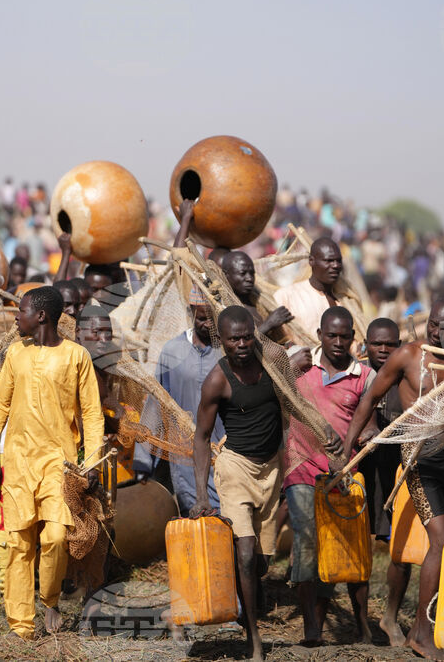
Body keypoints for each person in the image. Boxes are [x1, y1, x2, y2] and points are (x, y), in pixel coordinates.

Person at [0, 287, 103, 639]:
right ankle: (21, 626)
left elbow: (90, 413)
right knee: (17, 541)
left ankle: (49, 598)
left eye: (22, 311)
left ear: (41, 316)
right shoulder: (16, 354)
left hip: (58, 465)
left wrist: (90, 461)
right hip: (17, 462)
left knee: (57, 537)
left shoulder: (77, 357)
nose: (17, 317)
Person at [341, 298, 444, 659]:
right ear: (430, 323)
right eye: (439, 324)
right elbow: (370, 398)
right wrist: (346, 450)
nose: (443, 332)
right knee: (439, 543)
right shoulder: (410, 356)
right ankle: (422, 635)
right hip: (420, 464)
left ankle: (426, 626)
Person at [191, 306, 283, 662]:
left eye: (247, 337)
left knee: (260, 562)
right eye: (234, 339)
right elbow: (200, 438)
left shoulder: (272, 364)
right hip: (235, 469)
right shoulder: (218, 380)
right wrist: (201, 494)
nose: (242, 344)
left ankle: (247, 598)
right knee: (244, 553)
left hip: (271, 468)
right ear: (223, 341)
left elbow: (295, 401)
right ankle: (254, 638)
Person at [283, 307, 375, 645]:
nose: (338, 342)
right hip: (301, 469)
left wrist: (365, 437)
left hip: (343, 476)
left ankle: (359, 626)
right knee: (307, 542)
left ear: (354, 337)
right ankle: (313, 629)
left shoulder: (364, 376)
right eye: (331, 335)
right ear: (319, 334)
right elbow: (266, 381)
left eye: (345, 336)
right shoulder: (300, 366)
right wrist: (287, 368)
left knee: (341, 548)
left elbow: (371, 423)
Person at [134, 285, 222, 515]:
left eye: (213, 319)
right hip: (186, 458)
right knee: (196, 522)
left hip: (226, 454)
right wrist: (142, 458)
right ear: (191, 313)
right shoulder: (173, 351)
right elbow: (156, 403)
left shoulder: (227, 350)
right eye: (202, 319)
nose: (209, 325)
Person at [357, 317, 410, 646]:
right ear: (365, 344)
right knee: (358, 546)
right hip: (365, 472)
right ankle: (360, 621)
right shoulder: (358, 375)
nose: (384, 350)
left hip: (398, 472)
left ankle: (390, 616)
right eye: (377, 344)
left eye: (391, 344)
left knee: (401, 550)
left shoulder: (409, 376)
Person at [273, 238, 343, 343]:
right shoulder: (286, 296)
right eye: (329, 261)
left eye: (338, 261)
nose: (335, 265)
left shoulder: (345, 299)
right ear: (311, 261)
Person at [220, 251, 293, 338]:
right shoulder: (222, 306)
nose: (249, 278)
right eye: (242, 273)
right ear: (226, 275)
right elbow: (240, 343)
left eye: (252, 273)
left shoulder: (258, 300)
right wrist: (269, 324)